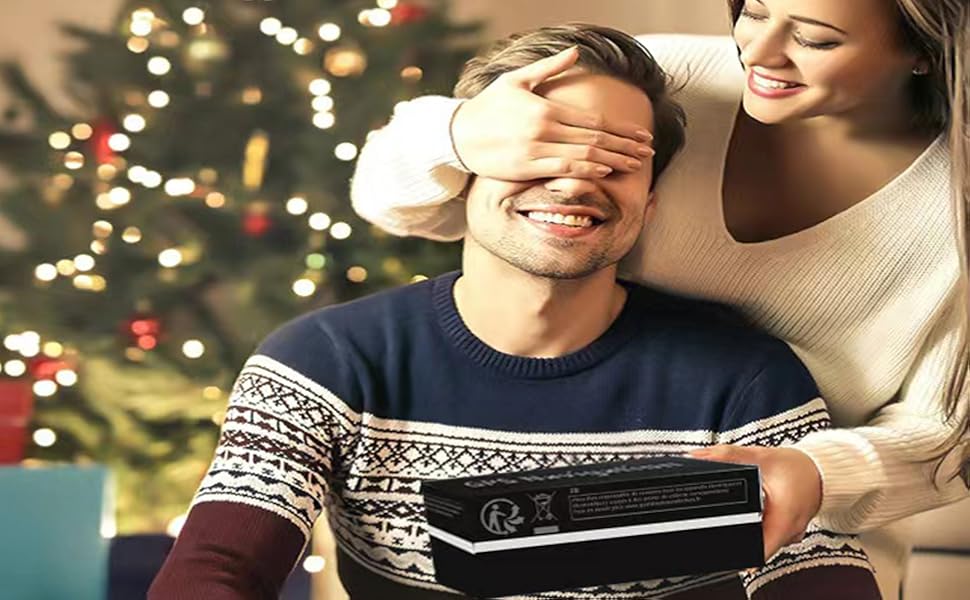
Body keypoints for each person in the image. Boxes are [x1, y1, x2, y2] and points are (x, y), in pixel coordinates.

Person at [150, 24, 880, 600]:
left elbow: (820, 575)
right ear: (461, 164)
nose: (574, 181)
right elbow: (216, 568)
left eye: (618, 161)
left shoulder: (741, 378)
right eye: (543, 147)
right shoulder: (325, 363)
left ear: (649, 202)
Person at [348, 1, 970, 598]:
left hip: (796, 538)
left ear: (922, 49)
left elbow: (943, 432)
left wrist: (816, 475)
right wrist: (459, 131)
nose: (761, 52)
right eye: (752, 13)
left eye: (815, 38)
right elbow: (394, 201)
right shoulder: (668, 81)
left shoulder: (954, 206)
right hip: (534, 512)